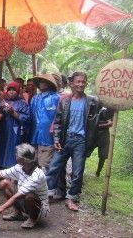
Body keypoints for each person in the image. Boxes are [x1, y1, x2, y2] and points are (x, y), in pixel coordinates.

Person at [46, 72, 99, 211]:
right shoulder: (64, 101)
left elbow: (96, 122)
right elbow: (57, 122)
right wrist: (56, 139)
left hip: (80, 142)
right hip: (65, 140)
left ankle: (71, 198)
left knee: (77, 172)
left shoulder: (92, 101)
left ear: (86, 83)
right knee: (53, 168)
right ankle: (48, 194)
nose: (81, 84)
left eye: (83, 81)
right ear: (71, 83)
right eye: (78, 81)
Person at [0, 81, 30, 169]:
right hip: (2, 130)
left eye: (14, 90)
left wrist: (13, 113)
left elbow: (27, 118)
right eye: (9, 90)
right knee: (0, 149)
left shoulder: (22, 103)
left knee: (12, 150)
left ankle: (12, 172)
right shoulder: (2, 101)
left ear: (18, 91)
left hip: (14, 131)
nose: (11, 92)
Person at [29, 74, 60, 172]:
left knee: (45, 165)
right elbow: (30, 115)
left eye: (44, 81)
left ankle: (46, 186)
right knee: (34, 164)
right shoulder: (35, 98)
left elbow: (59, 118)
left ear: (49, 83)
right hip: (34, 136)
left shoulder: (56, 98)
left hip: (48, 137)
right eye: (40, 81)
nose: (41, 84)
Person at [91, 107, 114, 177]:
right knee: (85, 150)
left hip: (104, 134)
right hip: (94, 133)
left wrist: (99, 125)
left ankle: (98, 172)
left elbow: (110, 123)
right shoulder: (97, 105)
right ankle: (80, 169)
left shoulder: (111, 110)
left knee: (103, 156)